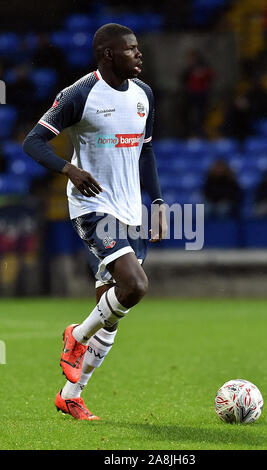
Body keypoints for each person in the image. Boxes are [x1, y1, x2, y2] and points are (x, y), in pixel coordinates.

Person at [23, 23, 167, 420]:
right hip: (92, 206)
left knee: (111, 311)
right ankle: (77, 335)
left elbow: (146, 153)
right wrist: (69, 169)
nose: (139, 55)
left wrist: (156, 201)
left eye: (139, 48)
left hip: (130, 210)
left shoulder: (144, 96)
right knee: (135, 286)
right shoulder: (79, 94)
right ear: (107, 54)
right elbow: (32, 141)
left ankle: (71, 394)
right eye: (131, 50)